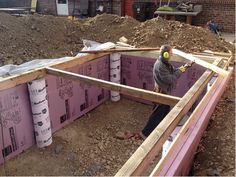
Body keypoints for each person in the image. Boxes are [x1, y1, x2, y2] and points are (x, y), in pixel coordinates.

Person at [115, 45, 194, 140]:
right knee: (157, 115)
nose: (172, 54)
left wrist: (184, 67)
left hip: (164, 93)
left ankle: (161, 131)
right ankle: (144, 134)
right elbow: (170, 78)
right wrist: (181, 71)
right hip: (161, 94)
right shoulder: (160, 65)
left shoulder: (165, 63)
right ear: (165, 54)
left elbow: (173, 72)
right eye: (171, 53)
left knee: (164, 113)